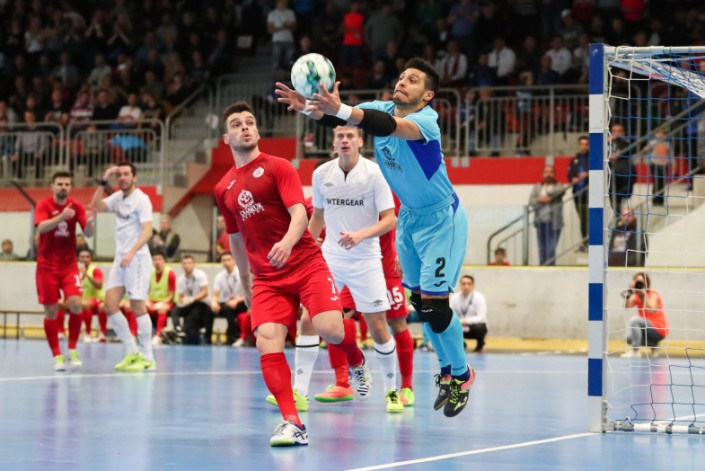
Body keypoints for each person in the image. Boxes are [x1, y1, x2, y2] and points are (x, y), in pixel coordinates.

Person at [276, 57, 476, 418]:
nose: (402, 82)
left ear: (427, 95)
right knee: (422, 305)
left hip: (440, 219)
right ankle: (446, 370)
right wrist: (307, 107)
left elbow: (382, 124)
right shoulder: (380, 108)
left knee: (436, 304)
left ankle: (462, 375)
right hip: (410, 219)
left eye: (412, 80)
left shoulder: (425, 121)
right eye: (401, 77)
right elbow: (341, 119)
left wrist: (344, 110)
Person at [213, 101, 370, 446]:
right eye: (237, 124)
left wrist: (286, 242)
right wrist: (246, 282)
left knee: (329, 328)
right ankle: (293, 422)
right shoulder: (223, 188)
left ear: (257, 130)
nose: (245, 127)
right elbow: (236, 239)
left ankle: (357, 359)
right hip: (267, 277)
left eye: (250, 122)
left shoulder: (278, 166)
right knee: (267, 340)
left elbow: (300, 213)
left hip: (305, 263)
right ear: (226, 138)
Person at [281, 125, 403, 413]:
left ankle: (391, 392)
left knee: (378, 327)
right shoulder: (321, 174)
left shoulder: (375, 174)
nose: (345, 140)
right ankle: (299, 392)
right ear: (334, 143)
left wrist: (361, 235)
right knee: (308, 319)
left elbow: (390, 219)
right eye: (340, 136)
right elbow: (317, 217)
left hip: (366, 260)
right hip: (330, 259)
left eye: (350, 136)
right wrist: (304, 250)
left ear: (360, 141)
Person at [91, 162, 156, 372]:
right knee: (109, 305)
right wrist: (104, 180)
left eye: (126, 174)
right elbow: (96, 206)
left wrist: (131, 252)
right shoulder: (117, 197)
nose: (122, 178)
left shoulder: (142, 199)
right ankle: (132, 351)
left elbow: (148, 231)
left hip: (137, 258)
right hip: (121, 259)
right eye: (119, 175)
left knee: (137, 306)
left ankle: (148, 357)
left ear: (134, 177)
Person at [35, 171, 95, 370]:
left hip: (69, 266)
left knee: (76, 304)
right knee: (51, 311)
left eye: (67, 184)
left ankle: (72, 348)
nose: (63, 187)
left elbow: (88, 233)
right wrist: (61, 217)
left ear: (70, 187)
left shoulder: (76, 206)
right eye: (60, 184)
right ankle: (57, 355)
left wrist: (91, 221)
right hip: (46, 267)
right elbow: (41, 228)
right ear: (52, 186)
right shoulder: (43, 205)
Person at [621, 272, 668, 358]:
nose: (639, 284)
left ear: (646, 283)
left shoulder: (653, 294)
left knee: (634, 320)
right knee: (629, 338)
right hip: (645, 328)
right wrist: (629, 293)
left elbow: (651, 310)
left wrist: (644, 295)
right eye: (636, 281)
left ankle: (635, 351)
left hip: (659, 329)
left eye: (640, 282)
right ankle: (654, 345)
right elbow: (626, 306)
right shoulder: (637, 296)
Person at [529, 165, 567, 266]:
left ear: (554, 174)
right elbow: (531, 200)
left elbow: (561, 191)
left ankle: (550, 267)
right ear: (543, 174)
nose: (548, 174)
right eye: (546, 172)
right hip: (540, 221)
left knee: (551, 248)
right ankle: (542, 266)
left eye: (551, 172)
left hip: (554, 222)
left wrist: (548, 195)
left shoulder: (558, 185)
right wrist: (540, 199)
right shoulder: (537, 187)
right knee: (542, 247)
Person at [209, 252, 249, 347]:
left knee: (227, 309)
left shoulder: (241, 273)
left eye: (228, 260)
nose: (226, 262)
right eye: (224, 260)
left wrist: (236, 300)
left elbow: (249, 292)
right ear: (221, 262)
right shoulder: (219, 276)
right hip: (227, 303)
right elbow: (216, 294)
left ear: (234, 261)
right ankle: (207, 338)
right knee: (209, 309)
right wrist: (213, 303)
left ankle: (232, 336)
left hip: (242, 302)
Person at [172, 254, 210, 345]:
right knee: (175, 310)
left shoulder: (200, 275)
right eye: (184, 263)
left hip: (201, 303)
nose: (187, 266)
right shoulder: (180, 279)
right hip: (188, 304)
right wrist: (183, 300)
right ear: (181, 265)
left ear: (194, 264)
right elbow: (181, 296)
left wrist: (192, 299)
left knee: (192, 318)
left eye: (189, 263)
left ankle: (185, 330)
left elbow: (205, 292)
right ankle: (178, 328)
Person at [450, 275, 488, 353]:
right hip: (459, 326)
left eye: (469, 284)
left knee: (480, 328)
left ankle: (479, 346)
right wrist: (459, 322)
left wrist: (466, 321)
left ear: (473, 285)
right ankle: (461, 345)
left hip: (473, 327)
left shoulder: (479, 297)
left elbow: (481, 316)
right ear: (460, 285)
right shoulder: (454, 297)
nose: (466, 286)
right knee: (448, 326)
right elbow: (451, 314)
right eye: (463, 284)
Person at [146, 249, 177, 345]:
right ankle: (138, 335)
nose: (157, 262)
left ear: (164, 260)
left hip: (167, 302)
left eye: (159, 259)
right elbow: (146, 291)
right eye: (155, 259)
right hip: (153, 301)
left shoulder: (170, 273)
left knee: (162, 309)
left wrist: (160, 303)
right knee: (139, 308)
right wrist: (147, 302)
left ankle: (158, 336)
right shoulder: (150, 273)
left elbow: (171, 296)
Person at [78, 248, 107, 343]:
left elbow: (99, 285)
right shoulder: (75, 271)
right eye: (82, 257)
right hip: (81, 300)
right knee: (59, 303)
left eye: (87, 257)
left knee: (87, 305)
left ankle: (90, 333)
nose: (84, 259)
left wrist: (87, 275)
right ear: (78, 259)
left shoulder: (95, 270)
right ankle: (61, 333)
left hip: (97, 300)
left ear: (90, 259)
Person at [567, 136, 589, 251]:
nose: (584, 146)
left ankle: (589, 242)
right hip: (578, 194)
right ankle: (585, 242)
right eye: (582, 144)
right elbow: (569, 175)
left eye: (586, 144)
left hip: (590, 194)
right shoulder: (574, 160)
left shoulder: (593, 159)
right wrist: (573, 179)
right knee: (583, 219)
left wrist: (587, 174)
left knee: (589, 219)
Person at [642, 128, 672, 206]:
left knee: (662, 182)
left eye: (662, 133)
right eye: (658, 133)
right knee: (657, 181)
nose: (660, 135)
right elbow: (646, 152)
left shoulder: (667, 144)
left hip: (664, 164)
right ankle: (655, 199)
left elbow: (671, 155)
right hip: (654, 164)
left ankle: (661, 200)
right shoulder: (652, 143)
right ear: (655, 134)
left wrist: (673, 164)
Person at [608, 122, 634, 213]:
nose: (617, 133)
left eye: (619, 131)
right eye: (614, 131)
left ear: (624, 132)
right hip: (611, 176)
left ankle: (621, 217)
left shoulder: (627, 143)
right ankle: (617, 216)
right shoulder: (607, 143)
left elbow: (629, 151)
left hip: (624, 176)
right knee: (613, 201)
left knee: (623, 202)